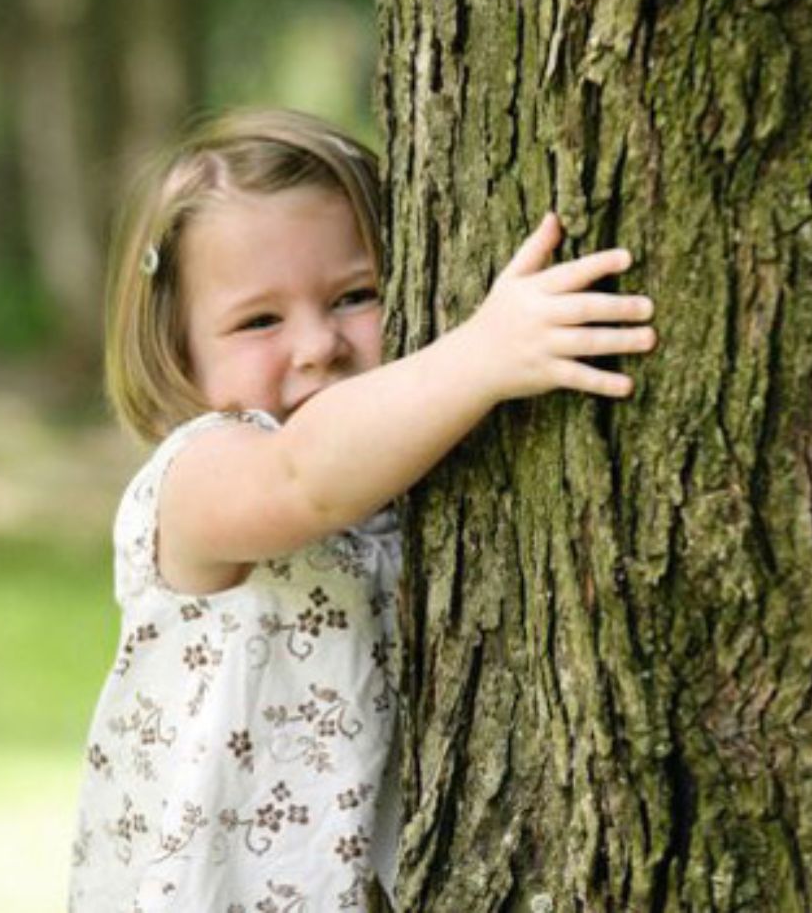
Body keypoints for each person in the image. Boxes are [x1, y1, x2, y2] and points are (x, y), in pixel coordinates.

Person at [68, 108, 657, 911]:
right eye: (260, 320)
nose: (317, 345)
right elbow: (304, 480)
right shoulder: (199, 478)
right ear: (177, 351)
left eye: (355, 296)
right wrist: (482, 356)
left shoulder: (403, 477)